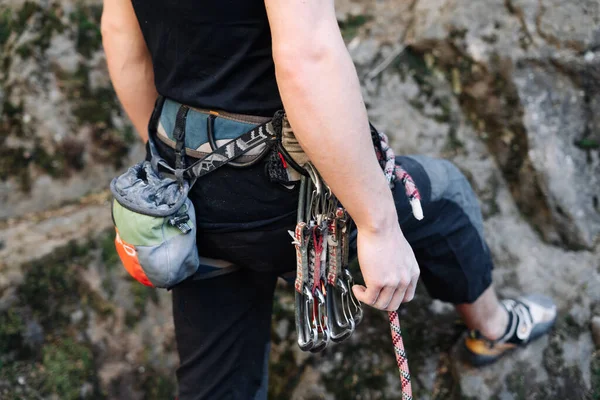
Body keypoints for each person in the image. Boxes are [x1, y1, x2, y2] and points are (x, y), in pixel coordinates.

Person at [100, 0, 557, 398]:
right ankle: (494, 328)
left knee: (216, 381)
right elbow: (307, 58)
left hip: (186, 200)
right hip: (285, 198)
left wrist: (180, 174)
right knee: (442, 193)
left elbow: (122, 36)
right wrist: (378, 226)